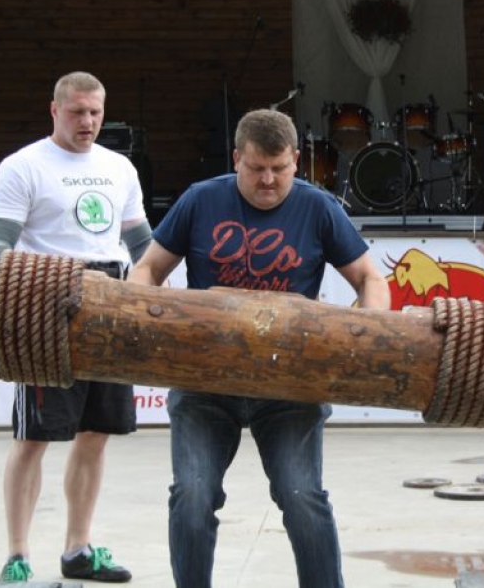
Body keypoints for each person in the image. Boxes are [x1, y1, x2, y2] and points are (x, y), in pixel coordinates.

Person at [127, 108, 390, 588]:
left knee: (302, 496)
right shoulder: (200, 201)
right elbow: (146, 270)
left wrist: (365, 331)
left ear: (296, 160)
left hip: (289, 386)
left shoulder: (319, 207)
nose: (268, 180)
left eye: (279, 168)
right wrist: (155, 315)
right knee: (192, 495)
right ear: (236, 160)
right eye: (255, 169)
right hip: (206, 382)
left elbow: (371, 277)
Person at [0, 71, 153, 583]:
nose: (88, 122)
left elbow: (143, 245)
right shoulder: (23, 166)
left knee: (96, 433)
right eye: (78, 111)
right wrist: (15, 310)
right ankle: (18, 555)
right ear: (54, 110)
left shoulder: (119, 167)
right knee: (33, 438)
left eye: (96, 112)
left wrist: (157, 293)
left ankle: (78, 549)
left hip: (109, 297)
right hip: (45, 302)